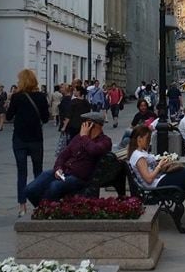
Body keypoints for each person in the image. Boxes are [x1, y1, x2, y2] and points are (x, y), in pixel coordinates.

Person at [25, 112, 112, 205]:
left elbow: (94, 150)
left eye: (87, 123)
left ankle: (45, 209)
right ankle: (42, 209)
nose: (83, 126)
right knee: (31, 189)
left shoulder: (104, 141)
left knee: (54, 187)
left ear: (96, 125)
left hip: (79, 178)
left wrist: (84, 137)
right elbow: (63, 155)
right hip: (65, 172)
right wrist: (58, 168)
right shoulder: (78, 138)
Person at [7, 68, 50, 217]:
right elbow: (45, 118)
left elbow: (8, 116)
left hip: (19, 138)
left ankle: (22, 206)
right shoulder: (40, 96)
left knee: (21, 172)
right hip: (36, 138)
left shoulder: (16, 97)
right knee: (38, 171)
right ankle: (39, 204)